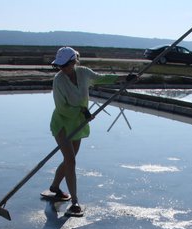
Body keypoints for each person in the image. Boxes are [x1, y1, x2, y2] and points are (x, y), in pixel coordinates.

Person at [49, 46, 137, 217]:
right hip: (62, 123)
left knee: (69, 159)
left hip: (78, 123)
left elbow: (102, 79)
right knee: (71, 160)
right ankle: (74, 201)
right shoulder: (58, 80)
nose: (62, 69)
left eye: (65, 65)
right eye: (59, 66)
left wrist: (125, 78)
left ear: (74, 61)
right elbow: (61, 107)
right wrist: (82, 111)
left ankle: (54, 187)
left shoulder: (83, 73)